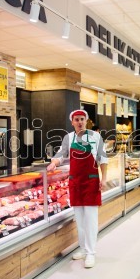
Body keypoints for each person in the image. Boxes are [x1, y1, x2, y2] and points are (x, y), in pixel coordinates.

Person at [47, 109, 107, 268]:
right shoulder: (69, 137)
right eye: (76, 119)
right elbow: (62, 153)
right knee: (79, 220)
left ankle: (91, 253)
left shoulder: (95, 137)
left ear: (86, 121)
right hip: (76, 183)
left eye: (82, 119)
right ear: (72, 122)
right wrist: (54, 163)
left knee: (91, 220)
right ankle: (83, 249)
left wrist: (104, 178)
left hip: (91, 182)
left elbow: (103, 158)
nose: (79, 122)